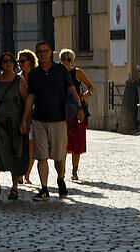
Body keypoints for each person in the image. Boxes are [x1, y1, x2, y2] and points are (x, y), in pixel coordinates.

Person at [20, 40, 83, 201]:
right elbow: (30, 97)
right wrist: (25, 119)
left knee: (59, 156)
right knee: (41, 156)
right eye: (39, 51)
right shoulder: (34, 74)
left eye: (45, 51)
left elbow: (72, 89)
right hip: (39, 119)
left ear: (51, 52)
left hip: (58, 119)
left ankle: (60, 179)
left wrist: (79, 108)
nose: (42, 54)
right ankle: (44, 188)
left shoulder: (60, 69)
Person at [0, 52, 29, 200]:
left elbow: (27, 101)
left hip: (14, 124)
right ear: (0, 64)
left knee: (15, 154)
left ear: (14, 64)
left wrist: (25, 120)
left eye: (10, 61)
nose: (8, 63)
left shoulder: (18, 81)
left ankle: (14, 187)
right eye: (5, 61)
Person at [59, 49, 94, 181]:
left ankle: (74, 171)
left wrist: (85, 96)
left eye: (68, 59)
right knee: (62, 143)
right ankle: (61, 171)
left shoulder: (77, 72)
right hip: (62, 110)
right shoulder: (58, 73)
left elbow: (91, 87)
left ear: (72, 60)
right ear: (60, 60)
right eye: (63, 59)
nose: (66, 62)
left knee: (77, 142)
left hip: (77, 110)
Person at [17, 49, 38, 184]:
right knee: (20, 147)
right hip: (19, 115)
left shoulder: (37, 77)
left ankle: (27, 175)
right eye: (18, 61)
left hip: (35, 116)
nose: (20, 64)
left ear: (30, 62)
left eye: (22, 61)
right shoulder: (17, 78)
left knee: (31, 147)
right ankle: (19, 173)